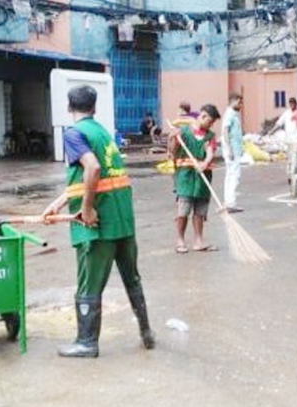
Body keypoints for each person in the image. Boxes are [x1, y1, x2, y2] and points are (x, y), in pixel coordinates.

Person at [41, 85, 155, 358]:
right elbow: (93, 179)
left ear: (69, 108)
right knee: (132, 279)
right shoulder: (102, 132)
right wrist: (57, 204)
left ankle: (86, 342)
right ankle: (146, 332)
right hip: (122, 221)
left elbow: (92, 168)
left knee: (88, 284)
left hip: (98, 225)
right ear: (94, 107)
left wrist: (87, 209)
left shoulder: (74, 133)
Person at [168, 104, 221, 254]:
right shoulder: (183, 132)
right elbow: (172, 151)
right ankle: (180, 240)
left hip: (203, 178)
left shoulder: (209, 136)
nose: (210, 125)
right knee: (183, 209)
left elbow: (210, 152)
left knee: (200, 210)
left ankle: (199, 241)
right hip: (185, 177)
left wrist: (205, 163)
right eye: (210, 121)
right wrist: (173, 139)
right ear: (202, 116)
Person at [266, 97, 297, 184]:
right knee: (290, 158)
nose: (292, 105)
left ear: (296, 104)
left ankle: (293, 175)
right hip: (289, 140)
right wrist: (271, 131)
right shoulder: (287, 114)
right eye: (290, 103)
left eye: (293, 103)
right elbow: (279, 123)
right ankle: (289, 175)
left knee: (295, 157)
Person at [221, 93, 244, 213]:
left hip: (234, 149)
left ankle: (229, 202)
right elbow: (225, 131)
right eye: (239, 102)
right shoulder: (230, 113)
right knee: (234, 176)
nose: (241, 105)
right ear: (233, 101)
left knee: (230, 175)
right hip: (232, 150)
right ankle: (231, 203)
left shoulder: (233, 114)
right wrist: (229, 149)